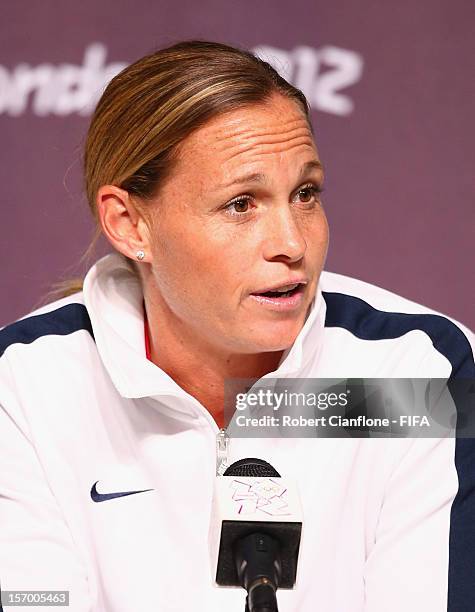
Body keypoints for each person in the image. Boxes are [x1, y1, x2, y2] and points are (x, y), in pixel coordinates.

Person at [0, 40, 473, 612]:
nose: (293, 244)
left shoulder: (418, 372)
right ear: (129, 224)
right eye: (241, 204)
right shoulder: (24, 387)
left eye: (305, 194)